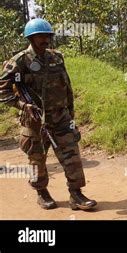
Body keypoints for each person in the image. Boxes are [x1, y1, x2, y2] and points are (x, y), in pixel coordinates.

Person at [0, 18, 97, 211]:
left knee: (72, 155)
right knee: (37, 159)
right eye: (40, 36)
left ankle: (76, 194)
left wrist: (71, 113)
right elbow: (2, 90)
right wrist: (22, 105)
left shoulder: (57, 57)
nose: (45, 39)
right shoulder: (19, 61)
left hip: (61, 117)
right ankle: (41, 193)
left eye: (47, 36)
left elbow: (67, 86)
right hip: (35, 120)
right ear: (31, 38)